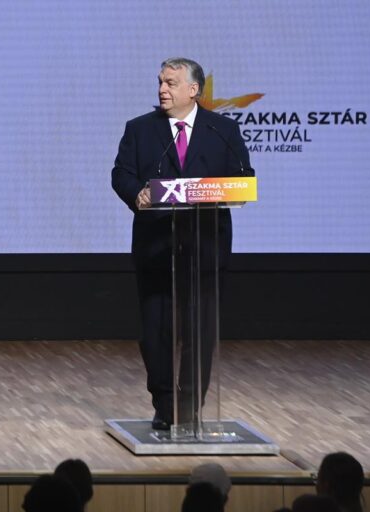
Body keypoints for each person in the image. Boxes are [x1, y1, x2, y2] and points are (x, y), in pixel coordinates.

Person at [112, 57, 253, 430]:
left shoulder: (223, 130)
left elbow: (243, 177)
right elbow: (121, 174)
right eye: (160, 81)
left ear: (194, 90)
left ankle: (190, 408)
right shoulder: (140, 129)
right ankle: (165, 404)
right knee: (155, 334)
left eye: (171, 83)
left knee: (200, 333)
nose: (162, 89)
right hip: (157, 248)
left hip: (204, 247)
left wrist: (215, 190)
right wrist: (137, 193)